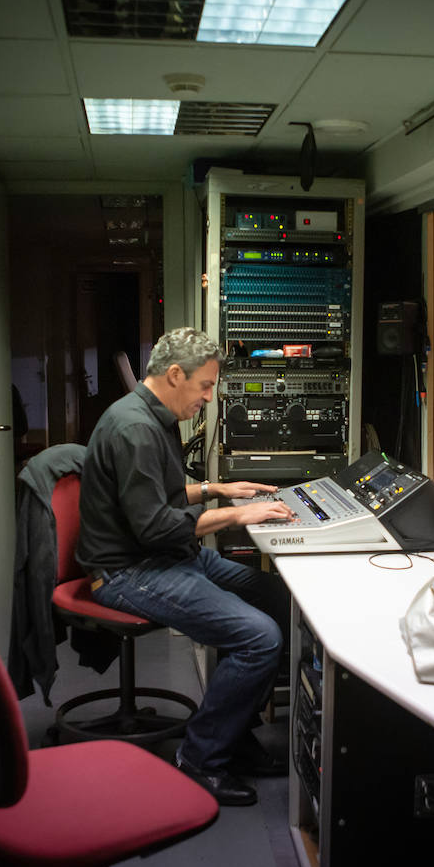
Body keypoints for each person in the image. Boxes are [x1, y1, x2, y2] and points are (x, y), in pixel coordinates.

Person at [76, 327, 295, 806]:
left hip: (167, 557)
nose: (209, 398)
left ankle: (235, 734)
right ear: (175, 375)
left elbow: (159, 497)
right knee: (259, 637)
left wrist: (218, 490)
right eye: (205, 386)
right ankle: (201, 759)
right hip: (129, 571)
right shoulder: (134, 428)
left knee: (280, 601)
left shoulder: (153, 416)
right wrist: (236, 515)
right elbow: (154, 527)